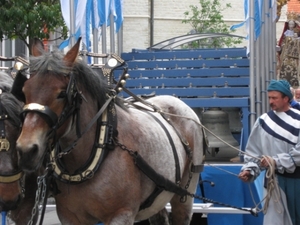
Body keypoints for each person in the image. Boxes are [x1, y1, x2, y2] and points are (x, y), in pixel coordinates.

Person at [239, 79, 300, 225]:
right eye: (269, 98)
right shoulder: (263, 121)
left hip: (296, 183)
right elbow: (254, 152)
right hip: (273, 183)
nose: (271, 101)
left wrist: (275, 161)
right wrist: (250, 170)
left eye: (275, 98)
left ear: (286, 98)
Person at [278, 13, 300, 88]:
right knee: (284, 68)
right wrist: (281, 47)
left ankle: (295, 84)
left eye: (292, 24)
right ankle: (283, 83)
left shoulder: (297, 34)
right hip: (285, 55)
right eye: (289, 24)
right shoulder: (286, 33)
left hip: (294, 56)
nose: (291, 26)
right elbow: (282, 42)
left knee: (294, 70)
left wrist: (296, 39)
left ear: (294, 25)